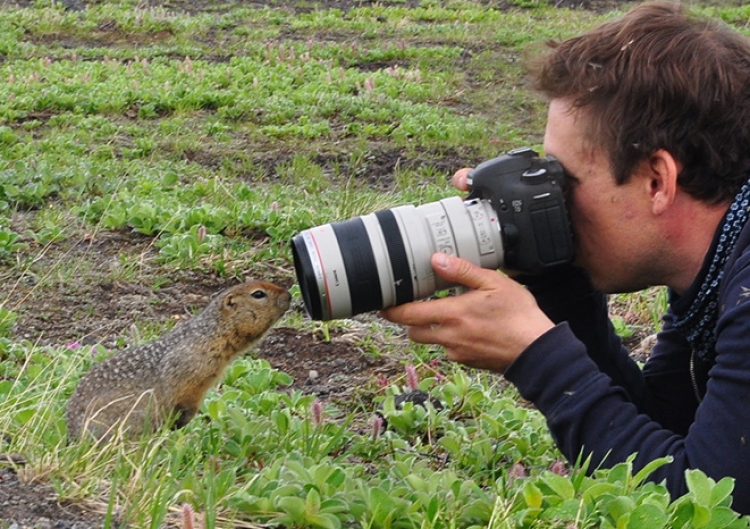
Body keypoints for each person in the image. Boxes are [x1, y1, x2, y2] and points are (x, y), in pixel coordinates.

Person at [381, 0, 750, 514]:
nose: (552, 198)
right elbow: (672, 430)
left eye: (564, 179)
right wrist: (557, 285)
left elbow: (703, 506)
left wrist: (536, 354)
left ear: (657, 181)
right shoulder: (716, 262)